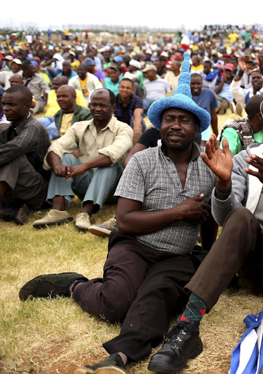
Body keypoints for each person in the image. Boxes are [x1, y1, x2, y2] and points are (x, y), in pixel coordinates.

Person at [19, 56, 216, 373]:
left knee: (155, 296)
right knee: (116, 304)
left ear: (196, 128)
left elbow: (210, 217)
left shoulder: (208, 165)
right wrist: (179, 211)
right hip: (133, 244)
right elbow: (125, 221)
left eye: (184, 120)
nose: (175, 125)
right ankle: (74, 285)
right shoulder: (143, 161)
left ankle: (119, 358)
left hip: (177, 256)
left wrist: (208, 257)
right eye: (168, 119)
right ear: (158, 125)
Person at [149, 95, 263, 374]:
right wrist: (223, 186)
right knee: (239, 215)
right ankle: (186, 328)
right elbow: (224, 218)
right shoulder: (244, 160)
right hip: (257, 269)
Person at [32, 89, 133, 231]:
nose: (97, 109)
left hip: (112, 189)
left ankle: (85, 213)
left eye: (102, 105)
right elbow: (56, 148)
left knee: (109, 164)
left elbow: (113, 154)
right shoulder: (79, 127)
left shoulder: (124, 129)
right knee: (64, 157)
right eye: (93, 105)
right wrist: (56, 166)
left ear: (113, 107)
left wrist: (84, 166)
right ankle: (58, 210)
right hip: (86, 183)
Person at [0, 85, 51, 225]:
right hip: (18, 188)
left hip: (39, 192)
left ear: (27, 106)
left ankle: (8, 209)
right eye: (3, 104)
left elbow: (16, 147)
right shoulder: (9, 128)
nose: (5, 108)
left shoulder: (34, 127)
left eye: (11, 104)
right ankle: (10, 211)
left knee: (13, 156)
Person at [190, 73, 219, 140]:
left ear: (202, 83)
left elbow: (213, 115)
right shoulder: (185, 95)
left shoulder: (209, 93)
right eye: (193, 84)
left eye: (198, 83)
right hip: (189, 126)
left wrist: (216, 135)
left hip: (204, 126)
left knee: (202, 147)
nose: (196, 86)